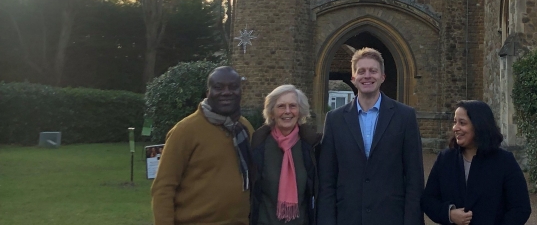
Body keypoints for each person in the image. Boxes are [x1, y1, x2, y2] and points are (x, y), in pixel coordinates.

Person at [317, 47, 424, 225]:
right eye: (361, 71)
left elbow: (414, 179)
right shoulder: (334, 120)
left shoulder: (405, 117)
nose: (367, 76)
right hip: (348, 218)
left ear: (382, 76)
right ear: (353, 78)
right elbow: (327, 181)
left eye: (373, 71)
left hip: (390, 218)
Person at [151, 66, 254, 225]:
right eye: (218, 88)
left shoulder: (244, 128)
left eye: (233, 87)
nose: (226, 92)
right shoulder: (185, 131)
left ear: (241, 91)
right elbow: (163, 188)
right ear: (208, 93)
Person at [421, 100, 531, 225]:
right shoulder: (445, 159)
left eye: (462, 123)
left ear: (479, 125)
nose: (455, 128)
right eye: (455, 122)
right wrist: (449, 214)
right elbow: (429, 200)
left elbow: (520, 208)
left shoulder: (504, 161)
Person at [250, 84, 321, 225]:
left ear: (300, 111)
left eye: (293, 106)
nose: (287, 111)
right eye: (281, 106)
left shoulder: (312, 146)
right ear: (271, 112)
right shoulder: (258, 145)